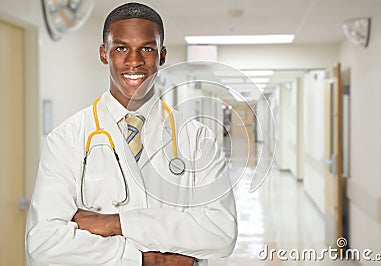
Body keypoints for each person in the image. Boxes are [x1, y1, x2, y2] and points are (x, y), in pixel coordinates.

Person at [25, 2, 237, 266]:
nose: (134, 61)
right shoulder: (66, 139)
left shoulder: (197, 139)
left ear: (162, 55)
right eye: (121, 48)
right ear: (104, 54)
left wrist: (111, 223)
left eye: (147, 48)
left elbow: (221, 233)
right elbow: (43, 244)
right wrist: (145, 260)